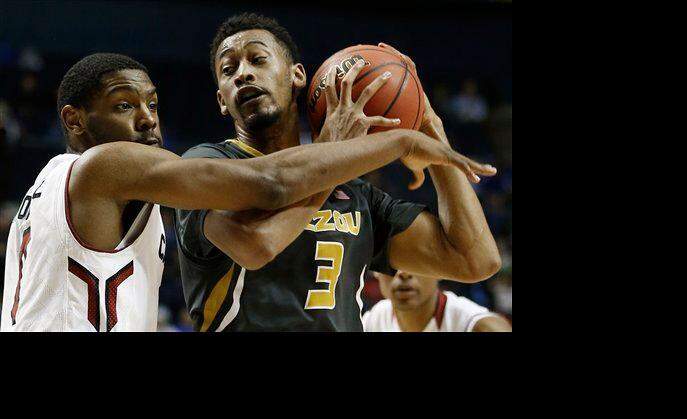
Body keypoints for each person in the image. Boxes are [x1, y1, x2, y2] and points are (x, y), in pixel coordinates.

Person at [1, 52, 492, 332]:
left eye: (152, 102)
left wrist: (431, 128)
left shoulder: (53, 184)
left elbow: (475, 261)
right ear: (74, 120)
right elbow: (270, 190)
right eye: (125, 105)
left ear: (297, 76)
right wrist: (399, 140)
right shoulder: (124, 165)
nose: (148, 118)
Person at [176, 13, 502, 331]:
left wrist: (428, 122)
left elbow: (475, 260)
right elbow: (256, 245)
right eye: (228, 69)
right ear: (222, 100)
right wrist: (331, 155)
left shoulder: (356, 195)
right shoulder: (206, 165)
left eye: (258, 60)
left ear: (297, 76)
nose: (242, 74)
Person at [363, 270, 511, 332]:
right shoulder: (372, 320)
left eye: (417, 262)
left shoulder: (477, 325)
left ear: (440, 270)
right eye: (392, 263)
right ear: (375, 270)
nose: (403, 273)